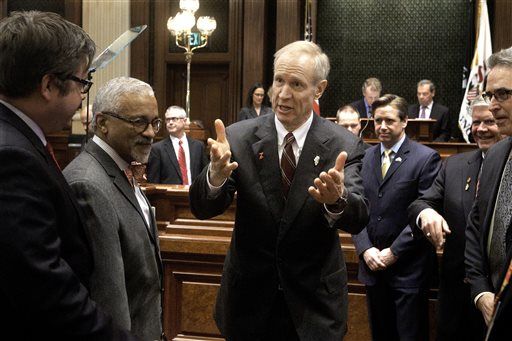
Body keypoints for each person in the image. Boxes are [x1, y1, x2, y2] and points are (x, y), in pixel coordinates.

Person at [189, 40, 369, 340]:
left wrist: (337, 200)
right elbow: (202, 208)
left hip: (314, 308)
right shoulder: (239, 136)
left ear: (319, 89)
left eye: (296, 84)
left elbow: (359, 216)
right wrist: (215, 177)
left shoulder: (343, 145)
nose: (283, 95)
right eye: (278, 81)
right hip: (247, 304)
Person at [0, 11, 136, 340]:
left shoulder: (16, 137)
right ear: (48, 85)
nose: (83, 97)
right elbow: (43, 289)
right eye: (82, 83)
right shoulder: (12, 157)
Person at [63, 77, 164, 341]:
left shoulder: (121, 168)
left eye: (154, 122)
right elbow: (109, 297)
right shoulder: (89, 184)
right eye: (138, 122)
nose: (151, 133)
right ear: (102, 123)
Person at [408, 96, 499, 341]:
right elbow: (421, 202)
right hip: (456, 297)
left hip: (499, 298)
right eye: (476, 122)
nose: (481, 129)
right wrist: (426, 213)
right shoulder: (454, 166)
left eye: (489, 122)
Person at [352, 94, 441, 341]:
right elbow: (357, 207)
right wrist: (365, 248)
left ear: (404, 122)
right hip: (372, 268)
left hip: (408, 270)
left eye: (389, 120)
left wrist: (393, 252)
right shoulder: (366, 156)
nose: (381, 126)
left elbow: (426, 209)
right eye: (378, 120)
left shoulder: (426, 158)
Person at [465, 46, 512, 340]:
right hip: (493, 310)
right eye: (490, 95)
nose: (493, 105)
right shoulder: (495, 155)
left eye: (503, 94)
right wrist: (481, 289)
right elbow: (475, 226)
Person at [147, 105, 208, 184]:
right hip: (169, 195)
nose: (170, 123)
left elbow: (205, 174)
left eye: (174, 119)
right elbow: (153, 181)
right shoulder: (157, 149)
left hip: (194, 194)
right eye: (168, 120)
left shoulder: (198, 146)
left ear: (184, 121)